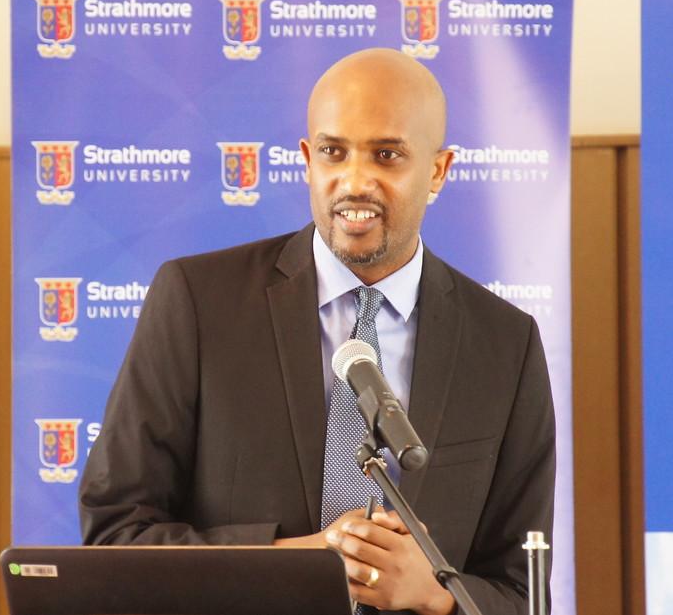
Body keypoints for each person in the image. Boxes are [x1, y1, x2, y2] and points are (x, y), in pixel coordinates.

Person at [78, 48, 555, 615]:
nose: (355, 181)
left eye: (387, 155)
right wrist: (301, 559)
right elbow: (116, 535)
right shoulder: (198, 302)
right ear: (308, 160)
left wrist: (437, 593)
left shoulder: (505, 344)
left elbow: (524, 593)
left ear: (437, 171)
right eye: (334, 152)